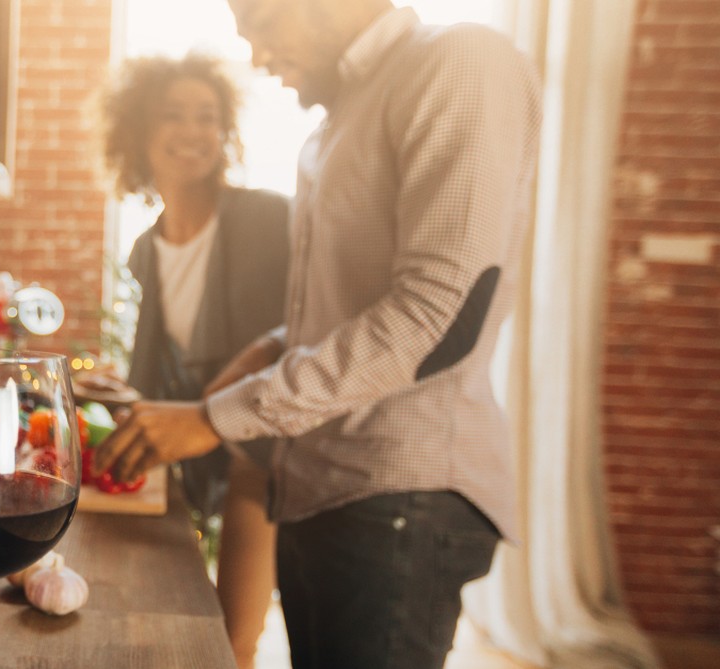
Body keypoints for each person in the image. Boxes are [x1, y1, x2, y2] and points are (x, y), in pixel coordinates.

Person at [93, 1, 543, 667]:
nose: (255, 56)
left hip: (396, 491)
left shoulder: (457, 61)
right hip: (320, 486)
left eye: (263, 24)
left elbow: (437, 315)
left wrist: (218, 414)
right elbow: (349, 312)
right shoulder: (333, 127)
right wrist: (273, 344)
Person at [92, 53, 290, 669]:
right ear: (138, 132)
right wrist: (117, 389)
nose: (193, 132)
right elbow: (161, 383)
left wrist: (203, 415)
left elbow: (288, 345)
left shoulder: (265, 219)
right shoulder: (146, 248)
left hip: (263, 459)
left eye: (208, 117)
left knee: (229, 646)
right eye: (172, 115)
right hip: (200, 464)